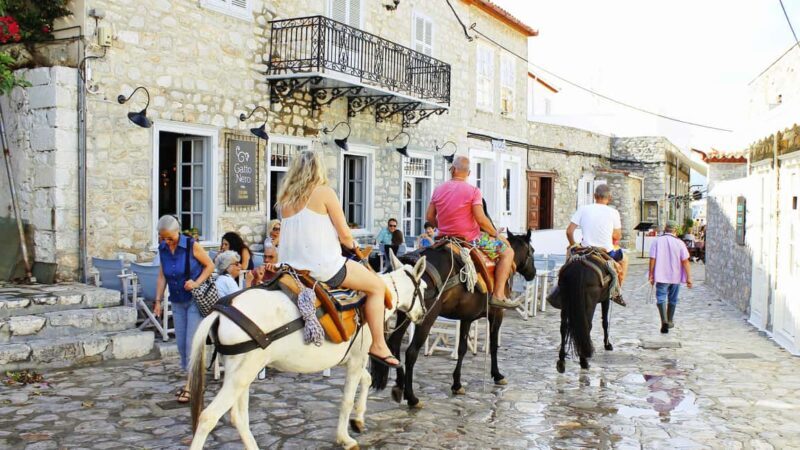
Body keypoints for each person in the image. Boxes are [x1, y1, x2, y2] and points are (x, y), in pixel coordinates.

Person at [277, 150, 401, 367]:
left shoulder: (285, 199)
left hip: (290, 269)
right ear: (318, 169)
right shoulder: (324, 192)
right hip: (323, 267)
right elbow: (344, 235)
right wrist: (352, 244)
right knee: (376, 287)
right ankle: (379, 345)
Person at [426, 155, 519, 309]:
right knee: (508, 252)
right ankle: (498, 295)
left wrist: (442, 227)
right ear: (468, 173)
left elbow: (429, 217)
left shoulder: (438, 189)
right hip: (472, 239)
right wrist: (497, 235)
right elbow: (481, 219)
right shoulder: (473, 191)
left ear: (452, 170)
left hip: (443, 238)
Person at [153, 215, 214, 404]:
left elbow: (210, 266)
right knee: (180, 344)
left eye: (170, 238)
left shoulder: (191, 245)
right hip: (177, 300)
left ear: (177, 232)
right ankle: (195, 381)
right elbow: (162, 276)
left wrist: (196, 282)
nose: (167, 241)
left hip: (195, 299)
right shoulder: (163, 249)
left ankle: (191, 386)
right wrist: (158, 301)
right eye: (163, 238)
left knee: (191, 344)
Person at [564, 183, 627, 306]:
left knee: (568, 254)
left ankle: (561, 287)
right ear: (609, 198)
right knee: (625, 260)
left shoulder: (583, 209)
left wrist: (573, 245)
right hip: (606, 251)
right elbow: (618, 236)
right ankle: (616, 292)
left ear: (594, 196)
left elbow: (569, 232)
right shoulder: (613, 212)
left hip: (585, 249)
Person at [649, 220, 693, 334]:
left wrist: (651, 274)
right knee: (673, 298)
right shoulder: (680, 243)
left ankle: (664, 320)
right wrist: (689, 278)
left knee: (661, 297)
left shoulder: (657, 241)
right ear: (675, 230)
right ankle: (669, 320)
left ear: (665, 228)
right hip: (675, 276)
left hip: (661, 276)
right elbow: (685, 261)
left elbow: (652, 259)